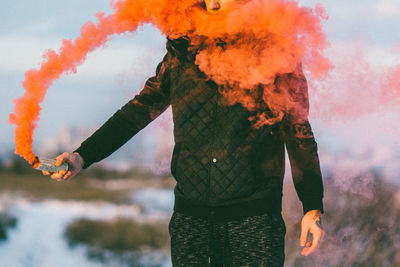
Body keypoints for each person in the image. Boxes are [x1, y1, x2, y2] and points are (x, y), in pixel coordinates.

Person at [43, 0, 324, 266]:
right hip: (192, 222)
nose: (213, 3)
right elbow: (138, 111)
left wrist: (312, 205)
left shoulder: (276, 51)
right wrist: (83, 155)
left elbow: (298, 130)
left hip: (254, 221)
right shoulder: (182, 51)